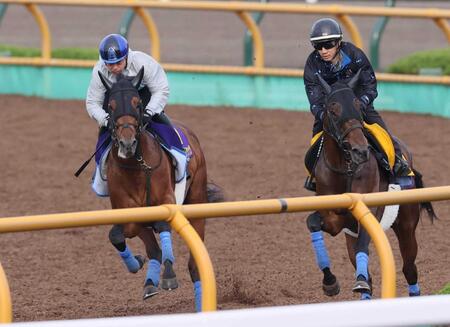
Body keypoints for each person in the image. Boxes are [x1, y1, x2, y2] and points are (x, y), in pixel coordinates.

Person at [86, 34, 186, 280]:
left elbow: (161, 89)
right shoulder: (99, 71)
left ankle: (183, 165)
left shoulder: (144, 63)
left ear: (126, 56)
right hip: (117, 118)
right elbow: (92, 103)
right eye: (109, 64)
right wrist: (106, 120)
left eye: (117, 63)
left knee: (172, 137)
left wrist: (149, 113)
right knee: (102, 152)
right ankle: (104, 179)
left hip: (145, 110)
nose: (113, 68)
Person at [303, 18, 410, 191]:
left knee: (382, 132)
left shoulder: (355, 55)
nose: (323, 50)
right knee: (315, 142)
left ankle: (398, 162)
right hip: (332, 111)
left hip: (358, 105)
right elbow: (314, 98)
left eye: (328, 44)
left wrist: (361, 104)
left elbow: (370, 85)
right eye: (318, 46)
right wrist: (324, 115)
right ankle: (314, 176)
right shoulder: (312, 63)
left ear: (338, 42)